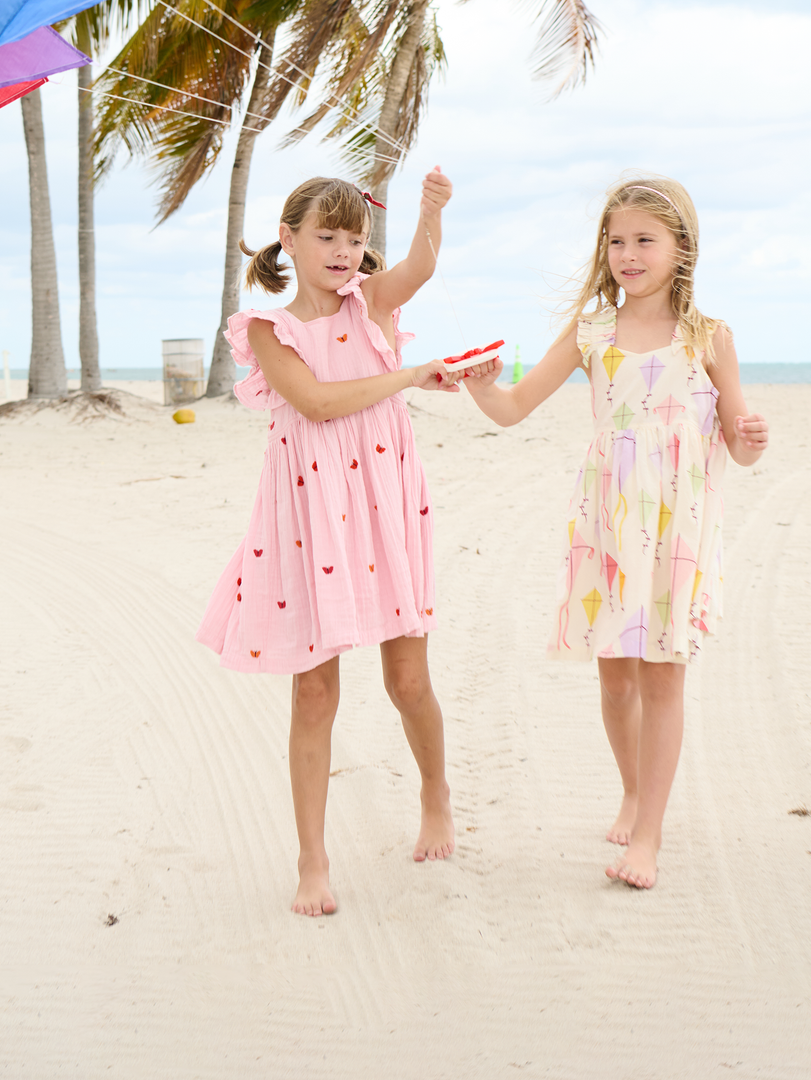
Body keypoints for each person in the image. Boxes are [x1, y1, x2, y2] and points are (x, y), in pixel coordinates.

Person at [462, 176, 769, 889]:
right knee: (615, 681)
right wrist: (480, 385)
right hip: (608, 524)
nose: (627, 254)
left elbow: (741, 446)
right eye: (617, 239)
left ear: (681, 247)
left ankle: (650, 838)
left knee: (663, 678)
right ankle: (632, 788)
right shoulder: (590, 332)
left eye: (644, 240)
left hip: (676, 528)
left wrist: (753, 438)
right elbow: (513, 407)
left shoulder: (708, 337)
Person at [196, 170, 464, 916]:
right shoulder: (264, 327)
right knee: (314, 692)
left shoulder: (371, 303)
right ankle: (312, 861)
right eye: (327, 236)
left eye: (356, 238)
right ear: (290, 239)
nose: (345, 251)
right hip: (310, 514)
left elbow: (421, 266)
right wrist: (411, 374)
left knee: (408, 680)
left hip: (383, 502)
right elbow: (313, 403)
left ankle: (436, 792)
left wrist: (431, 213)